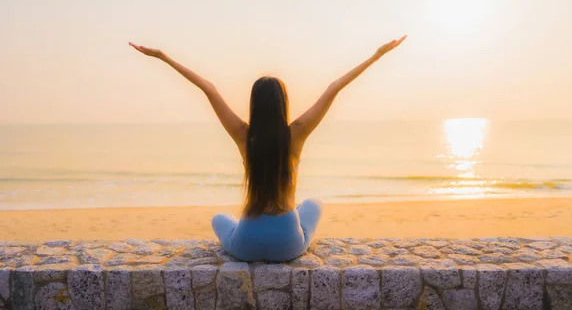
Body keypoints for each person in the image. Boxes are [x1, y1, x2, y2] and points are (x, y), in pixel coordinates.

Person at [129, 35, 407, 261]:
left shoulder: (243, 136)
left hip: (246, 244)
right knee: (313, 205)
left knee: (219, 219)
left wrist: (163, 57)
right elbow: (333, 88)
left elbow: (210, 90)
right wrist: (376, 55)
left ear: (254, 105)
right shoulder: (296, 135)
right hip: (287, 245)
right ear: (283, 103)